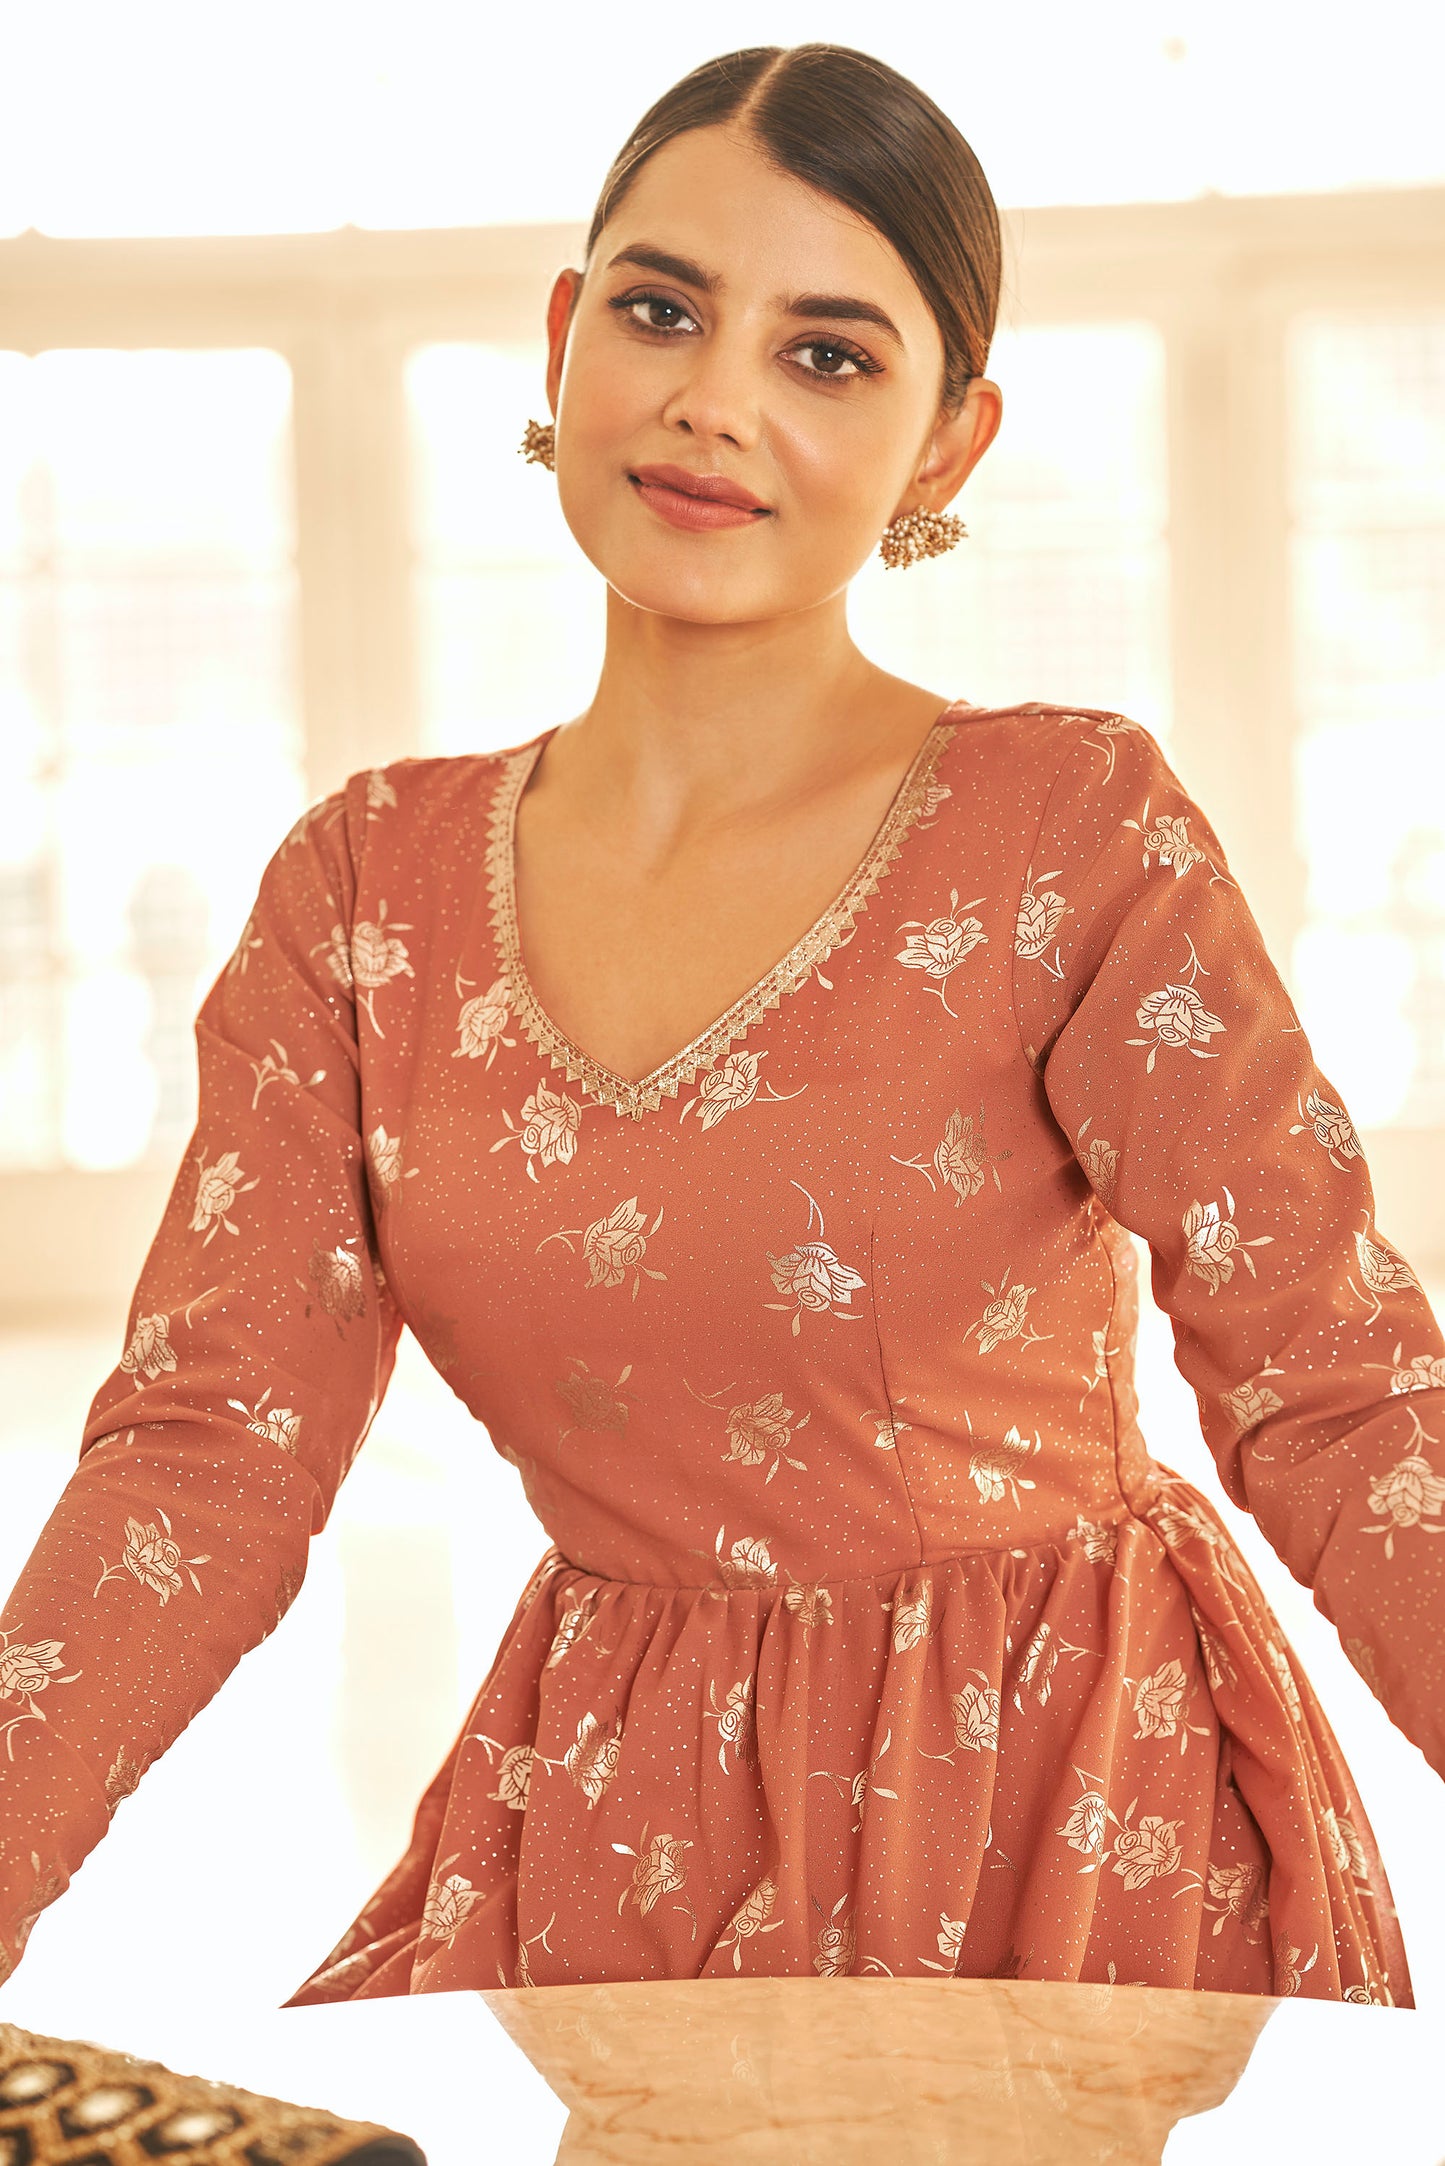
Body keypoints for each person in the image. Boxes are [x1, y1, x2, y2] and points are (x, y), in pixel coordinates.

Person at [1, 42, 1440, 2009]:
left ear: (946, 448)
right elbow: (205, 1458)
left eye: (827, 355)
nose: (713, 401)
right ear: (563, 336)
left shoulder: (1067, 830)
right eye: (663, 312)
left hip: (1062, 1829)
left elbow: (1343, 1398)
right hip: (612, 1835)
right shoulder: (362, 899)